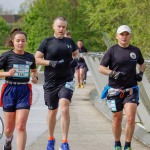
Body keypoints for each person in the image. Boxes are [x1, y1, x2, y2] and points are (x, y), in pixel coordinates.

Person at [99, 25, 146, 150]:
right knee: (117, 118)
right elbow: (101, 68)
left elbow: (142, 63)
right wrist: (113, 73)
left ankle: (128, 145)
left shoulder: (135, 51)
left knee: (131, 118)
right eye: (122, 34)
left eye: (126, 34)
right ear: (117, 36)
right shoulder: (112, 51)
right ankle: (117, 143)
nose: (124, 37)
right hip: (114, 91)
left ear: (130, 36)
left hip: (131, 90)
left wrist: (140, 73)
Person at [35, 16, 78, 150]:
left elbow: (76, 53)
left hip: (66, 79)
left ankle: (64, 142)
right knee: (52, 112)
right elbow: (36, 58)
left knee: (64, 107)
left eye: (63, 27)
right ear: (53, 26)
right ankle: (50, 139)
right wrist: (50, 63)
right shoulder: (47, 42)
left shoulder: (70, 41)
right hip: (51, 82)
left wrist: (75, 60)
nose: (61, 29)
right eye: (59, 26)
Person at [0, 28, 38, 150]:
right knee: (8, 129)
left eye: (23, 41)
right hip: (9, 90)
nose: (20, 43)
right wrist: (7, 74)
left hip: (24, 91)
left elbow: (34, 71)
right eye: (18, 41)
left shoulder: (30, 57)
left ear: (26, 42)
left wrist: (34, 77)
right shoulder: (6, 56)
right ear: (13, 41)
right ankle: (8, 140)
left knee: (21, 126)